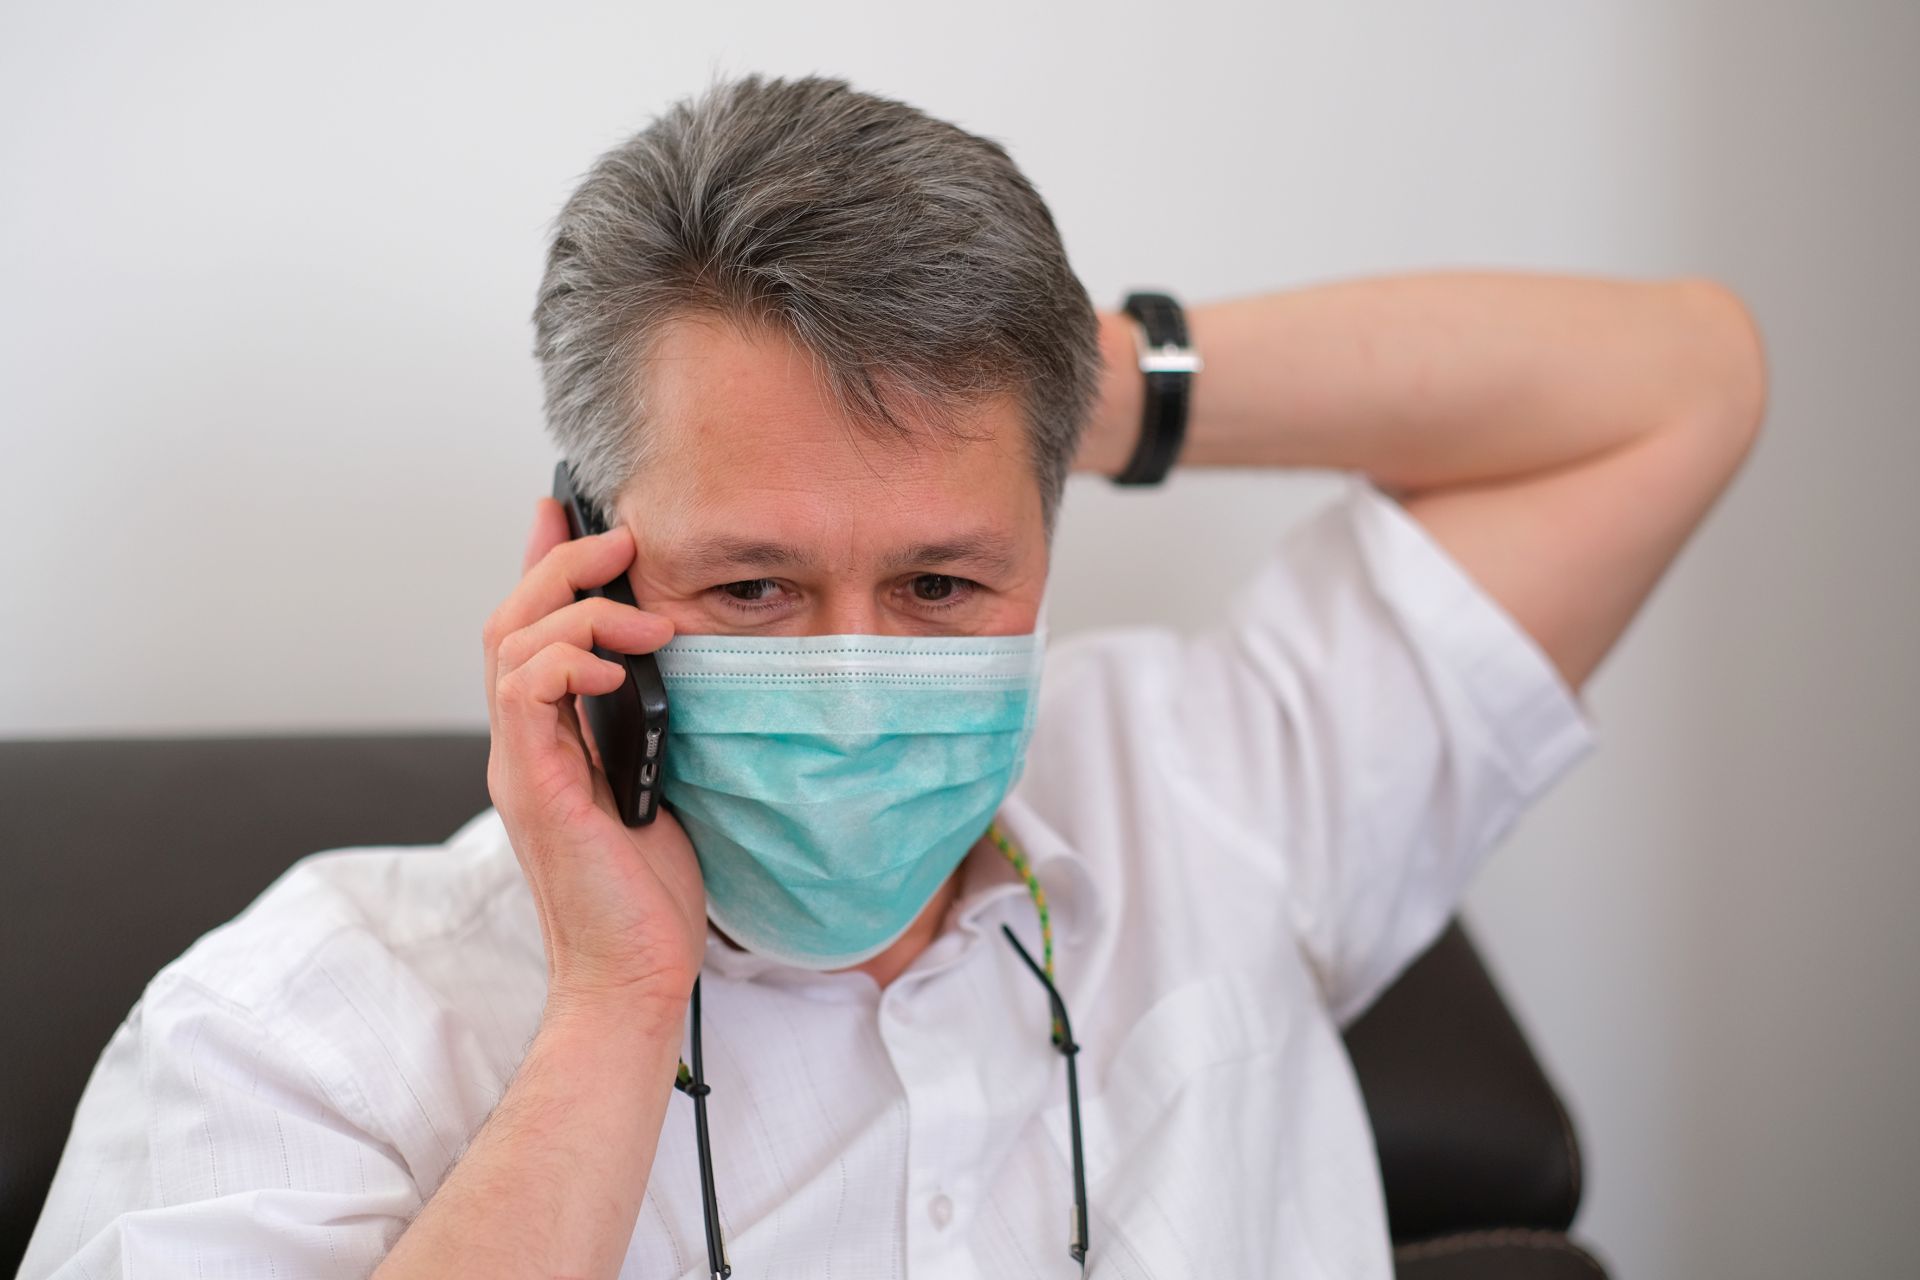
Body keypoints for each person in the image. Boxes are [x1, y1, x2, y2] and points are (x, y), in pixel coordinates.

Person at [22, 72, 1767, 1279]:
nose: (857, 683)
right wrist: (615, 1011)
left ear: (1046, 548)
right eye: (756, 585)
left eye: (941, 582)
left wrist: (1045, 382)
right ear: (583, 562)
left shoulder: (1212, 785)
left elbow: (1676, 385)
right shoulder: (296, 1031)